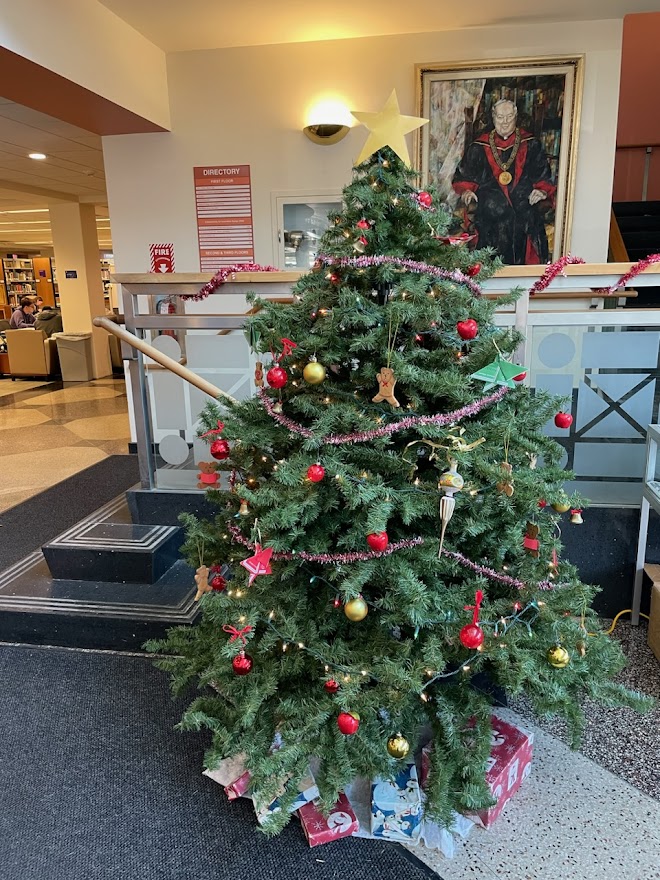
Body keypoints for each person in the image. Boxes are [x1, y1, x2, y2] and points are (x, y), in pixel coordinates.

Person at [452, 99, 556, 265]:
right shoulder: (478, 146)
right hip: (489, 203)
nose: (505, 122)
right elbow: (464, 175)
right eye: (500, 117)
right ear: (493, 118)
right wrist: (467, 191)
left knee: (525, 215)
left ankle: (521, 272)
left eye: (509, 117)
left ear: (516, 117)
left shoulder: (531, 144)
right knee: (494, 210)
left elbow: (542, 174)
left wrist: (541, 191)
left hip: (524, 201)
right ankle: (488, 271)